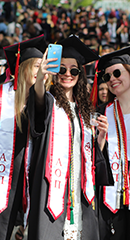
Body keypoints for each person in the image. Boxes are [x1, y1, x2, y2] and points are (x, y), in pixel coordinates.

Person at [27, 35, 110, 240]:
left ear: (80, 74)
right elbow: (36, 101)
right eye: (61, 69)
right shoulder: (49, 102)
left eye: (73, 70)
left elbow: (88, 153)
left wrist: (100, 138)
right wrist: (40, 78)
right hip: (53, 187)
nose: (67, 74)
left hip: (79, 188)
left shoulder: (84, 111)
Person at [94, 44, 130, 240]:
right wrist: (100, 138)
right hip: (112, 196)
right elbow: (95, 157)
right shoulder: (103, 111)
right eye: (107, 76)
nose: (111, 79)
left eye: (116, 72)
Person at [1, 35, 47, 240]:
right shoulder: (3, 96)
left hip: (27, 181)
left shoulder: (46, 101)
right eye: (37, 66)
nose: (42, 72)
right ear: (24, 66)